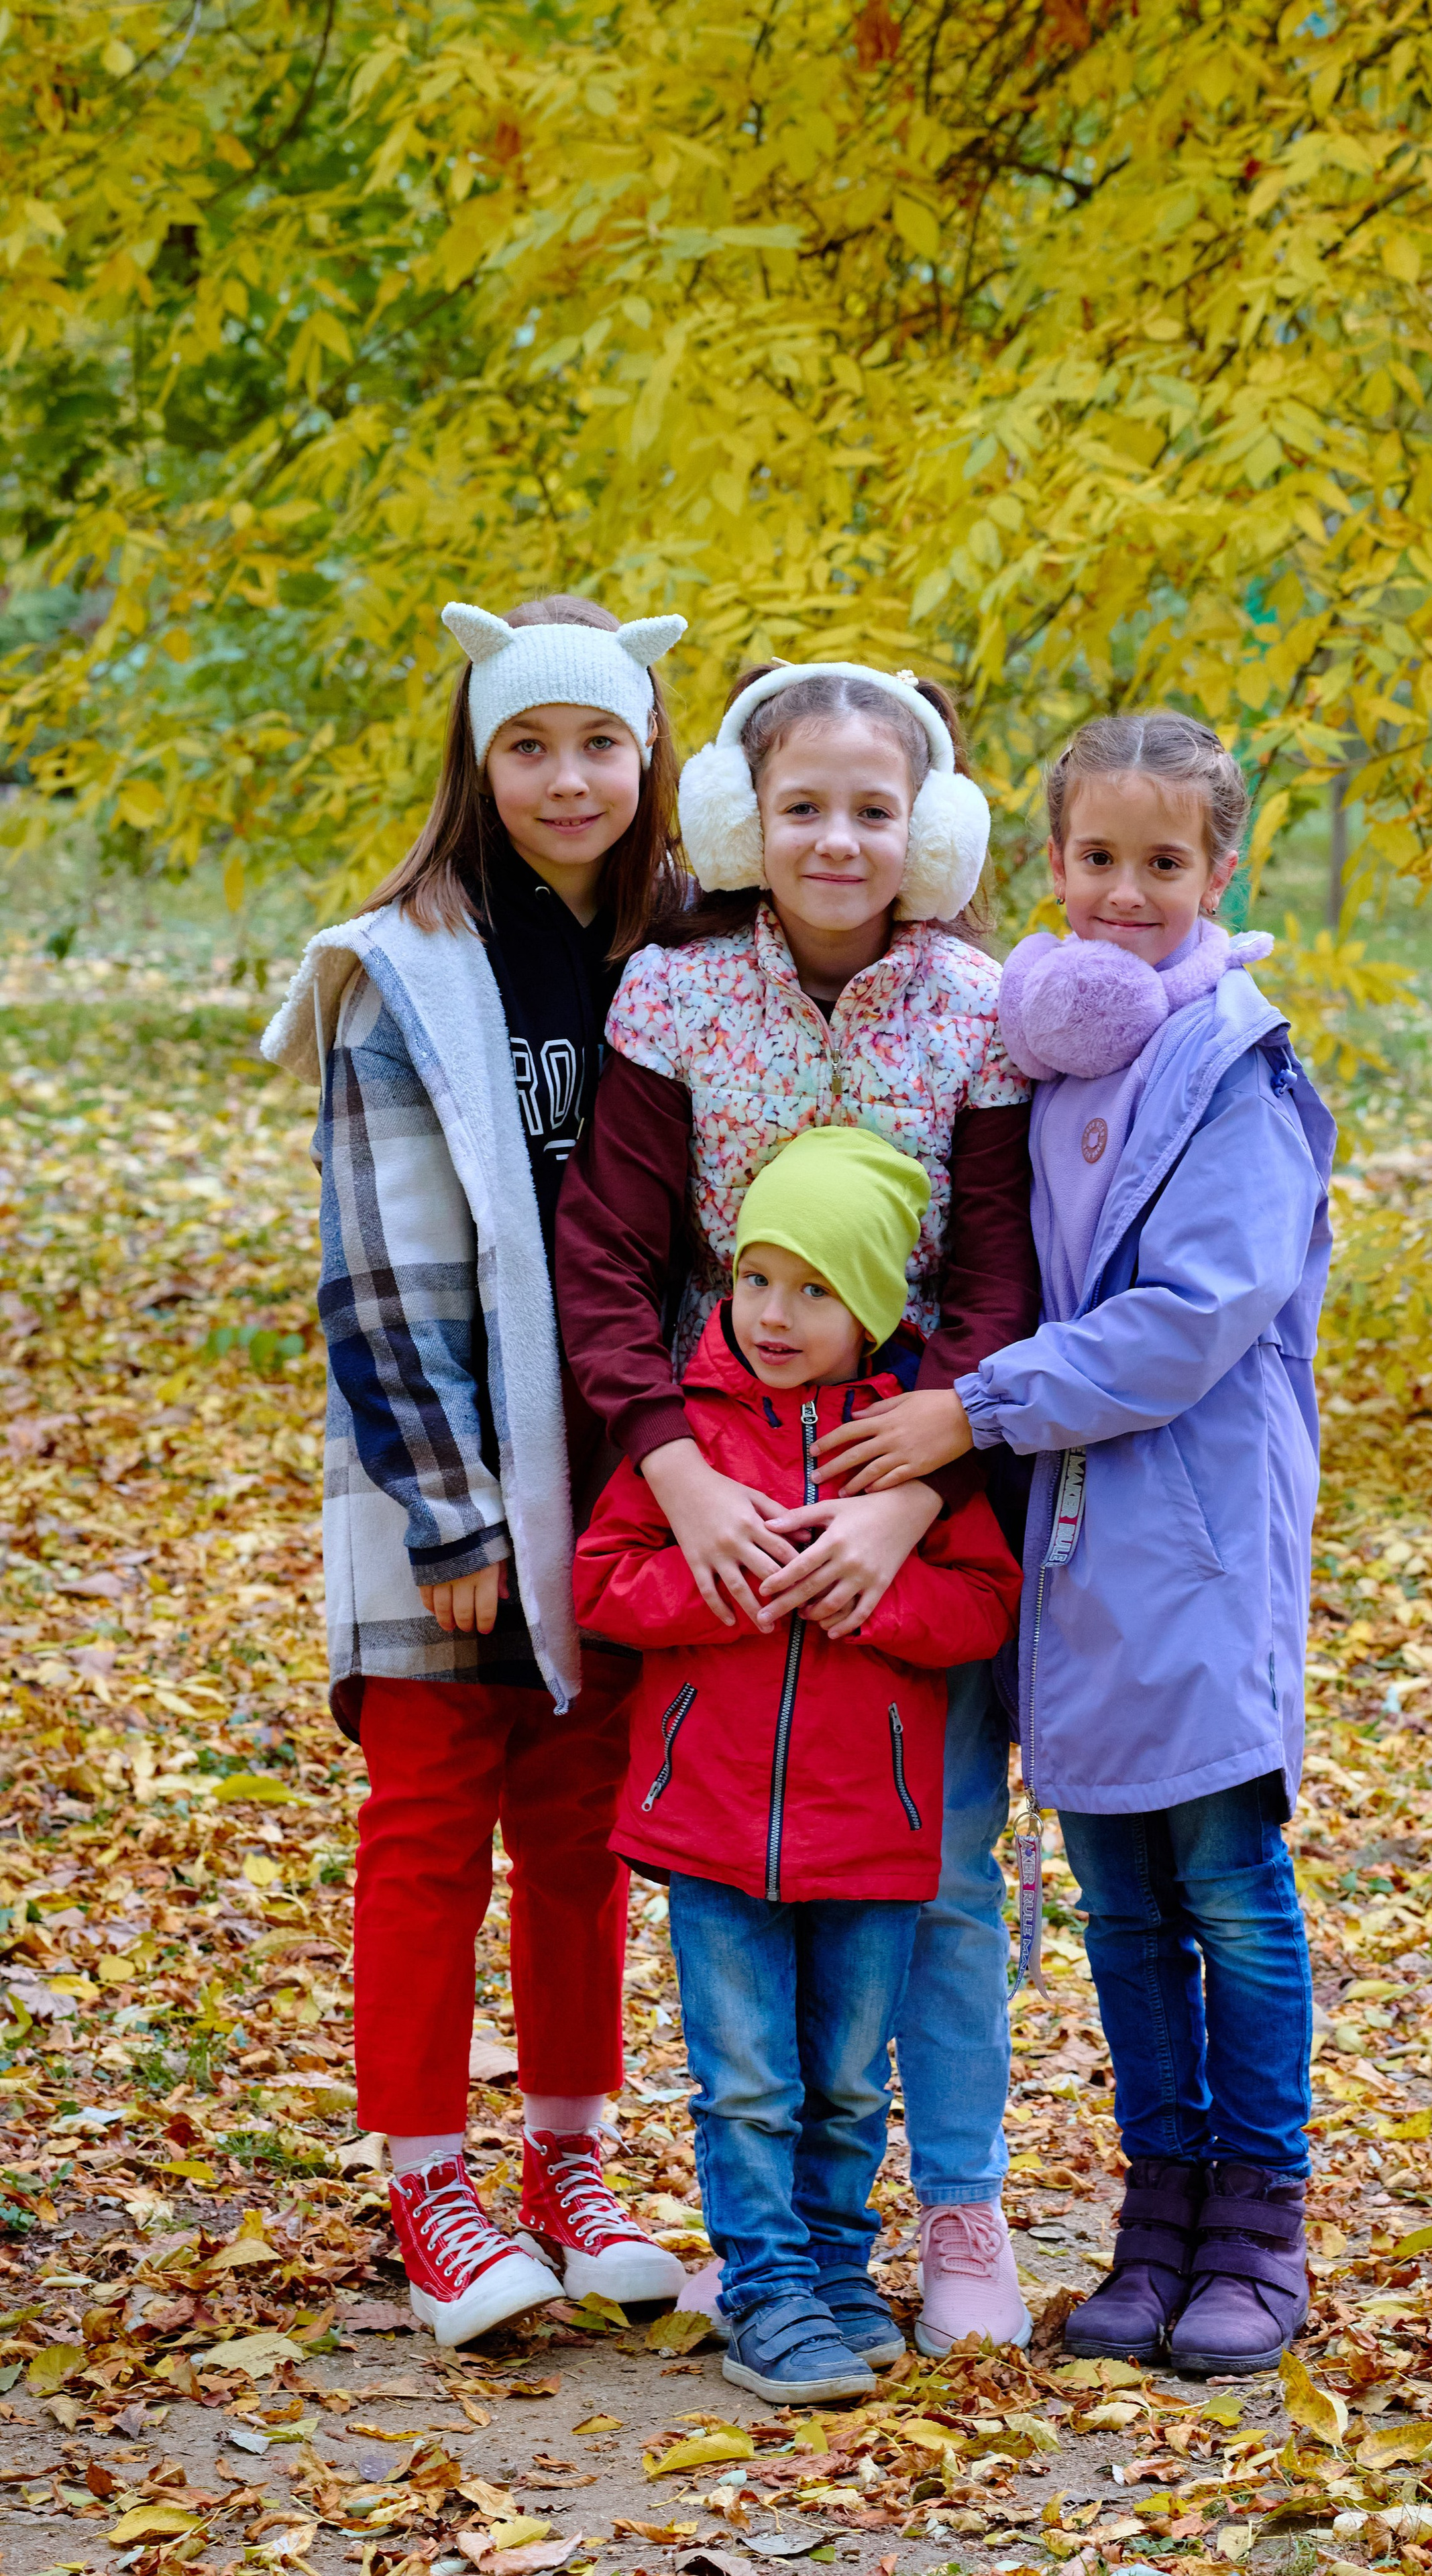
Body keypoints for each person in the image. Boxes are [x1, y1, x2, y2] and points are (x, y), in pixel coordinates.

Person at [813, 711, 1335, 2375]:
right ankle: (1152, 2219)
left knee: (1228, 1892)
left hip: (1193, 1534)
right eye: (1094, 860)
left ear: (1216, 872)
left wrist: (970, 1410)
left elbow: (1189, 1318)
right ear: (1049, 865)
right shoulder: (1048, 1053)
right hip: (1072, 1545)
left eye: (1160, 864)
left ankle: (1255, 2222)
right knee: (1116, 1897)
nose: (1122, 894)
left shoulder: (1233, 1072)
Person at [555, 660, 1041, 2353]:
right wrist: (671, 1469)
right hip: (720, 1456)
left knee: (945, 1866)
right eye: (800, 806)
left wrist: (923, 1482)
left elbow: (992, 1265)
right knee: (738, 1875)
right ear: (736, 824)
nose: (836, 838)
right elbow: (609, 1257)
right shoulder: (673, 999)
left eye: (873, 808)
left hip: (922, 1454)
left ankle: (957, 2204)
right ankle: (769, 2240)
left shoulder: (981, 1004)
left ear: (932, 832)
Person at [262, 595, 690, 2345]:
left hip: (619, 1479)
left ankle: (568, 2164)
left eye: (600, 741)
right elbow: (376, 1271)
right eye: (529, 743)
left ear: (650, 755)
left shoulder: (679, 954)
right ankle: (428, 2177)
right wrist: (448, 1507)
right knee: (432, 1824)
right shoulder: (403, 970)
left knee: (580, 1835)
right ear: (479, 757)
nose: (567, 776)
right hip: (438, 1471)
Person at [575, 1126, 1022, 2400]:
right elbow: (603, 1582)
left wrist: (871, 1596)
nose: (776, 1312)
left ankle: (831, 2266)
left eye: (817, 1287)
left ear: (875, 1305)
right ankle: (764, 2287)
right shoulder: (691, 1435)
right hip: (713, 1825)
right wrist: (727, 1585)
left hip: (874, 1828)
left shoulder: (903, 1447)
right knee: (751, 2074)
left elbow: (982, 1601)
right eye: (758, 1276)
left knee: (842, 2072)